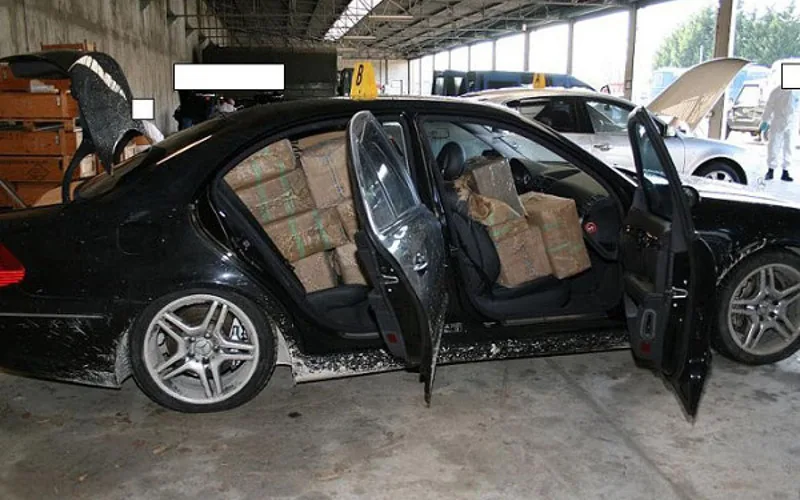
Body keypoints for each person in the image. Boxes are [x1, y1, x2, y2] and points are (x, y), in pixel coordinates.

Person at [761, 86, 800, 182]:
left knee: (789, 147)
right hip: (778, 121)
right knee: (774, 145)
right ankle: (771, 170)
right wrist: (765, 120)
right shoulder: (777, 91)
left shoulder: (797, 92)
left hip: (792, 123)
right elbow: (769, 106)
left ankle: (785, 171)